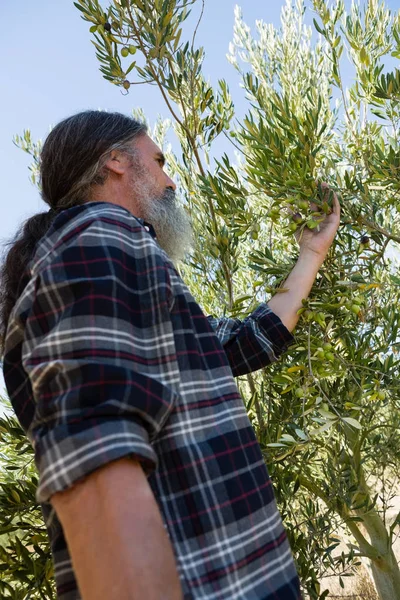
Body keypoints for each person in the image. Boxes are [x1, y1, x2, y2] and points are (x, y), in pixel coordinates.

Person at [1, 110, 340, 600]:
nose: (169, 178)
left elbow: (247, 342)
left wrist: (311, 253)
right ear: (115, 161)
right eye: (158, 160)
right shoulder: (100, 239)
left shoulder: (118, 256)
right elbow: (95, 461)